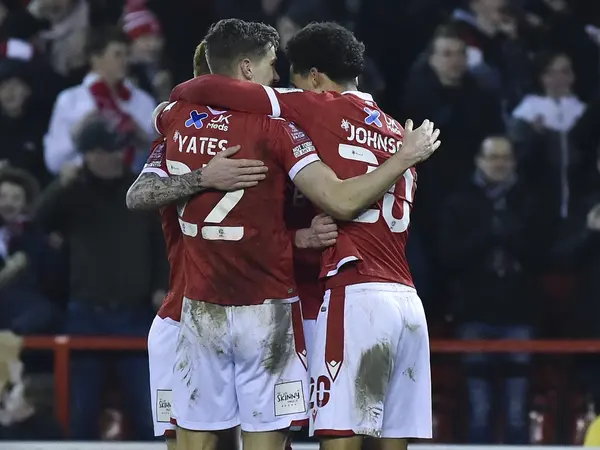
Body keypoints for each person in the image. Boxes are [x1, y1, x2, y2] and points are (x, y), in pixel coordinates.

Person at [171, 21, 436, 450]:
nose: (282, 82)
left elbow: (224, 90)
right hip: (407, 301)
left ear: (314, 78)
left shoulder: (316, 106)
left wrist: (173, 102)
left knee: (340, 437)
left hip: (356, 295)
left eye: (290, 77)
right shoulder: (393, 130)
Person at [34, 112, 169, 440]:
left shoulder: (140, 191)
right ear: (90, 154)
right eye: (108, 150)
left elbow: (162, 244)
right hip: (86, 312)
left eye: (119, 148)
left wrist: (161, 286)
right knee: (80, 411)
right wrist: (61, 184)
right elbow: (37, 220)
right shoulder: (72, 193)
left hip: (136, 312)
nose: (116, 156)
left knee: (147, 409)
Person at [43, 26, 156, 175]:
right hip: (84, 180)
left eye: (127, 55)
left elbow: (157, 156)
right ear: (95, 58)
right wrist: (80, 132)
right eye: (117, 55)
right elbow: (53, 160)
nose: (125, 61)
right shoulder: (70, 100)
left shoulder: (142, 100)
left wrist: (140, 135)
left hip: (134, 180)